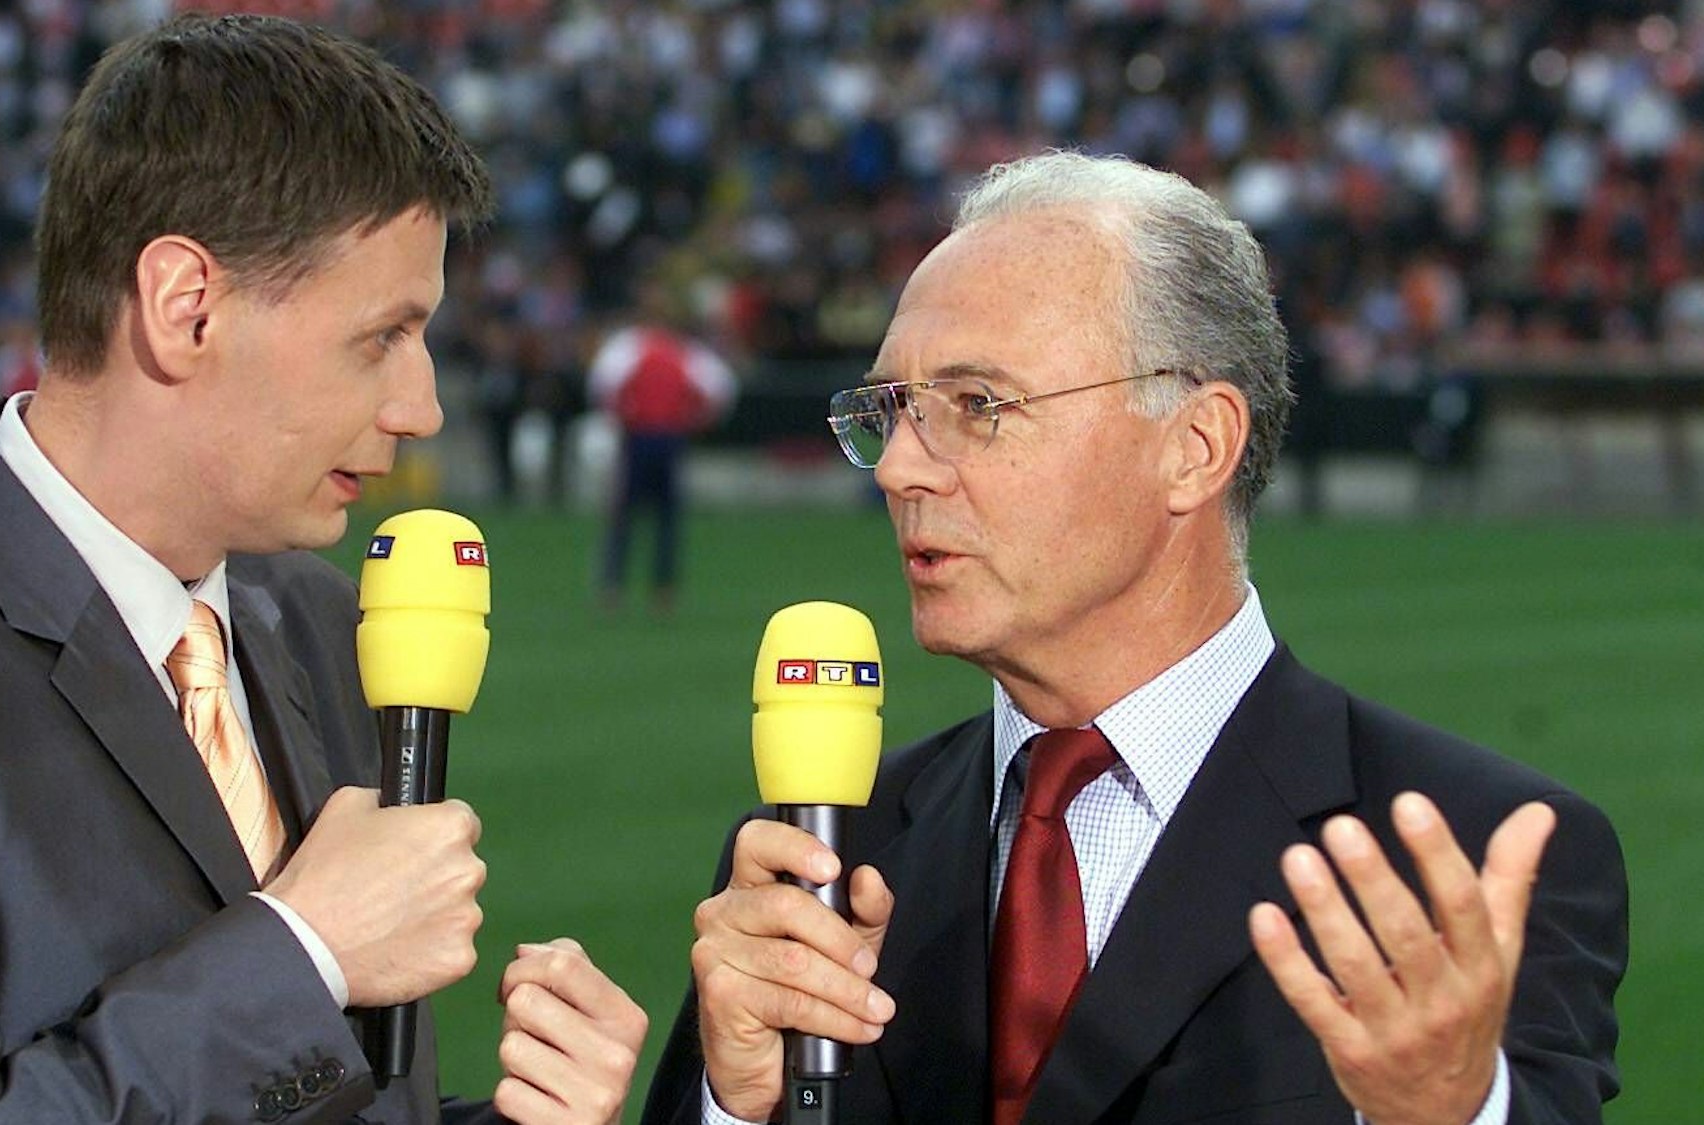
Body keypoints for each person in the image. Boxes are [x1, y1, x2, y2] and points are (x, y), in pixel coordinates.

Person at [0, 15, 646, 1124]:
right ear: (184, 307)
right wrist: (300, 955)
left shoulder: (317, 620)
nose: (421, 407)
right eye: (380, 338)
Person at [643, 151, 1625, 1124]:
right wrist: (737, 1110)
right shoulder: (819, 852)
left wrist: (1448, 1112)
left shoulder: (1463, 861)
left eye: (976, 406)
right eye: (889, 411)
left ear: (1193, 448)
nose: (898, 467)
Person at [587, 288, 737, 614]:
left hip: (641, 437)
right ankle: (660, 591)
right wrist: (695, 419)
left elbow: (601, 384)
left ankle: (617, 589)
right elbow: (721, 388)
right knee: (664, 518)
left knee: (627, 515)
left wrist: (620, 414)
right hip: (667, 439)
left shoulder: (628, 348)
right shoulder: (685, 353)